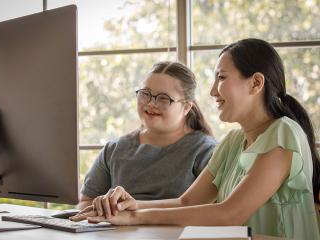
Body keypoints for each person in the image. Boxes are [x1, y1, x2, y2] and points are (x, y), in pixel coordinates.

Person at [71, 39, 320, 240]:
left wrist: (136, 217)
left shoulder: (283, 133)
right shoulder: (233, 141)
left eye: (221, 78)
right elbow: (186, 201)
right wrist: (132, 207)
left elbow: (228, 214)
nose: (212, 91)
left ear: (255, 83)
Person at [78, 61, 217, 211]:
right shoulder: (114, 149)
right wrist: (102, 207)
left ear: (186, 107)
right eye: (145, 94)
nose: (151, 103)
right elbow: (85, 203)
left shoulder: (205, 151)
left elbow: (209, 211)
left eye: (163, 98)